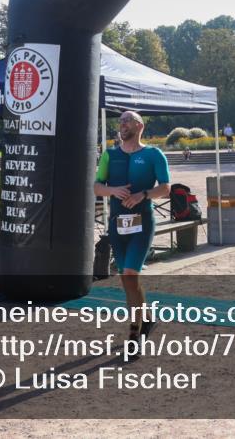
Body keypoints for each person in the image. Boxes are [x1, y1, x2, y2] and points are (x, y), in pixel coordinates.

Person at [92, 111, 170, 342]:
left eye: (127, 120)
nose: (122, 124)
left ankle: (134, 334)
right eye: (120, 121)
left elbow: (165, 188)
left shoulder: (154, 154)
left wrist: (143, 194)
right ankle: (147, 317)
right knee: (127, 279)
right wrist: (113, 191)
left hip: (142, 223)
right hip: (117, 225)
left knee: (129, 273)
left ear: (139, 126)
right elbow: (97, 186)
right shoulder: (110, 155)